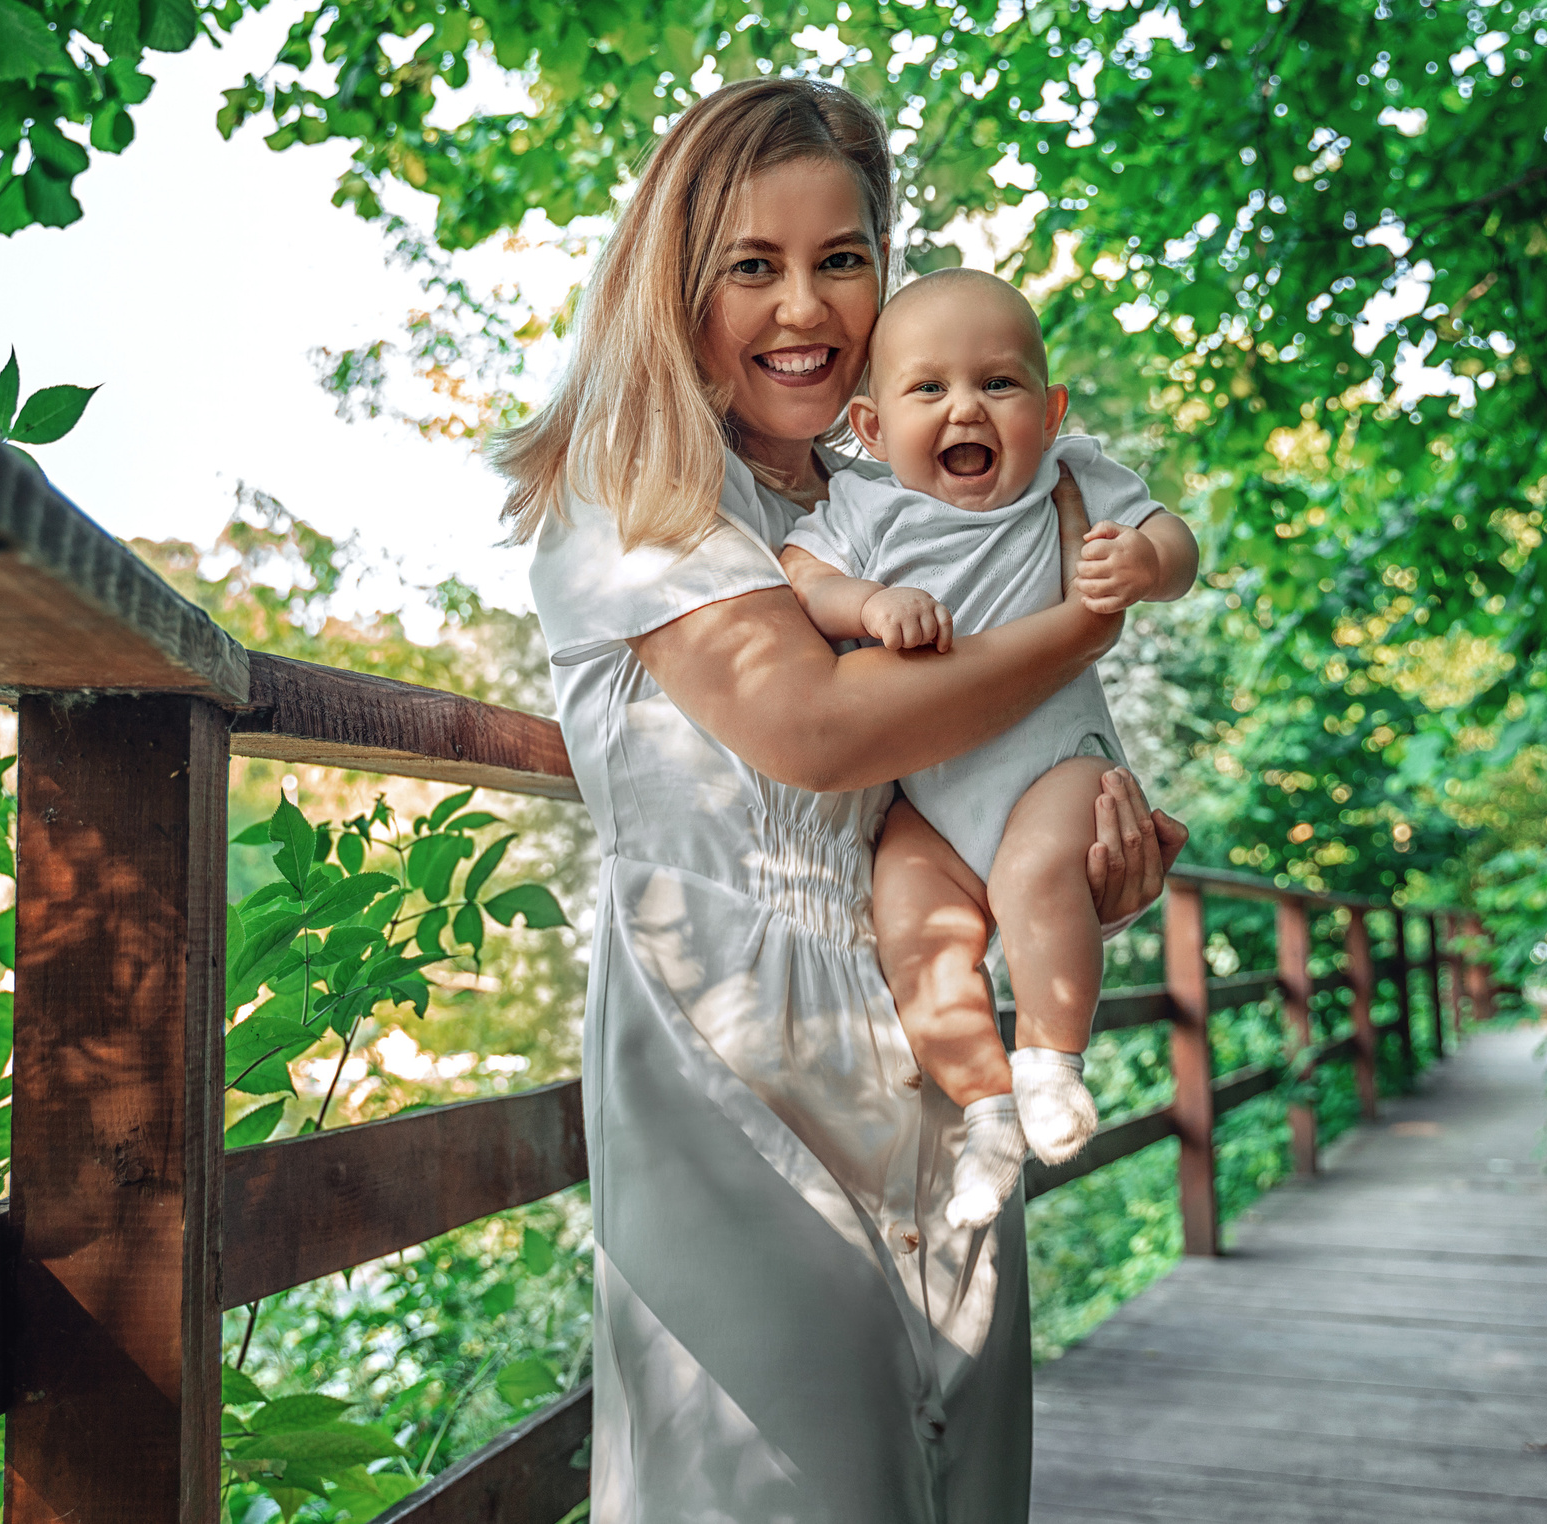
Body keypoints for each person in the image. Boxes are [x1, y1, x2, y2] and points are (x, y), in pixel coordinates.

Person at [497, 77, 1185, 1522]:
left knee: (961, 1472)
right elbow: (813, 730)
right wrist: (1078, 628)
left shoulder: (885, 499)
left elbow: (948, 780)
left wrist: (1080, 842)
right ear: (677, 285)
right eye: (752, 266)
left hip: (926, 1034)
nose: (803, 307)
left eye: (842, 260)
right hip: (720, 1036)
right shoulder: (640, 492)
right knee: (789, 1488)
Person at [779, 269, 1199, 1229]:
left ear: (1048, 412)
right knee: (913, 933)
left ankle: (1051, 1061)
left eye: (999, 385)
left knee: (1038, 868)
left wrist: (1147, 563)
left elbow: (1172, 537)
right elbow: (804, 574)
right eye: (929, 389)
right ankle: (987, 1106)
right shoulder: (868, 510)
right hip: (929, 803)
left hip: (1058, 764)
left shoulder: (1069, 475)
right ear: (874, 429)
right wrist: (871, 605)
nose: (966, 407)